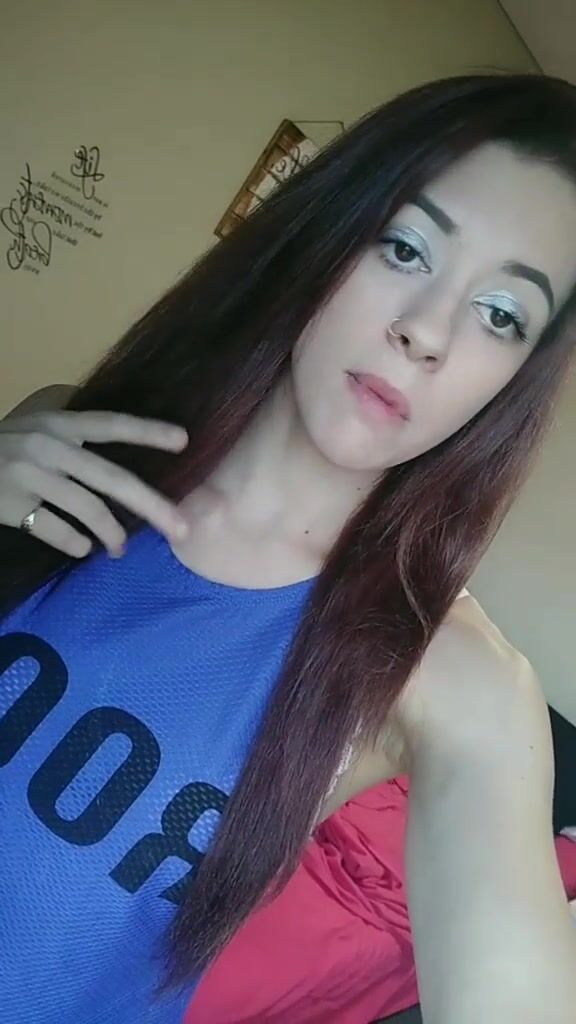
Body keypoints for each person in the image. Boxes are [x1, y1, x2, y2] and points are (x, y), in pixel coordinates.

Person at [1, 72, 576, 1024]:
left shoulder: (453, 682)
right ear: (329, 232)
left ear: (515, 377)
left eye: (501, 314)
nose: (426, 332)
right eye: (406, 248)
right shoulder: (65, 437)